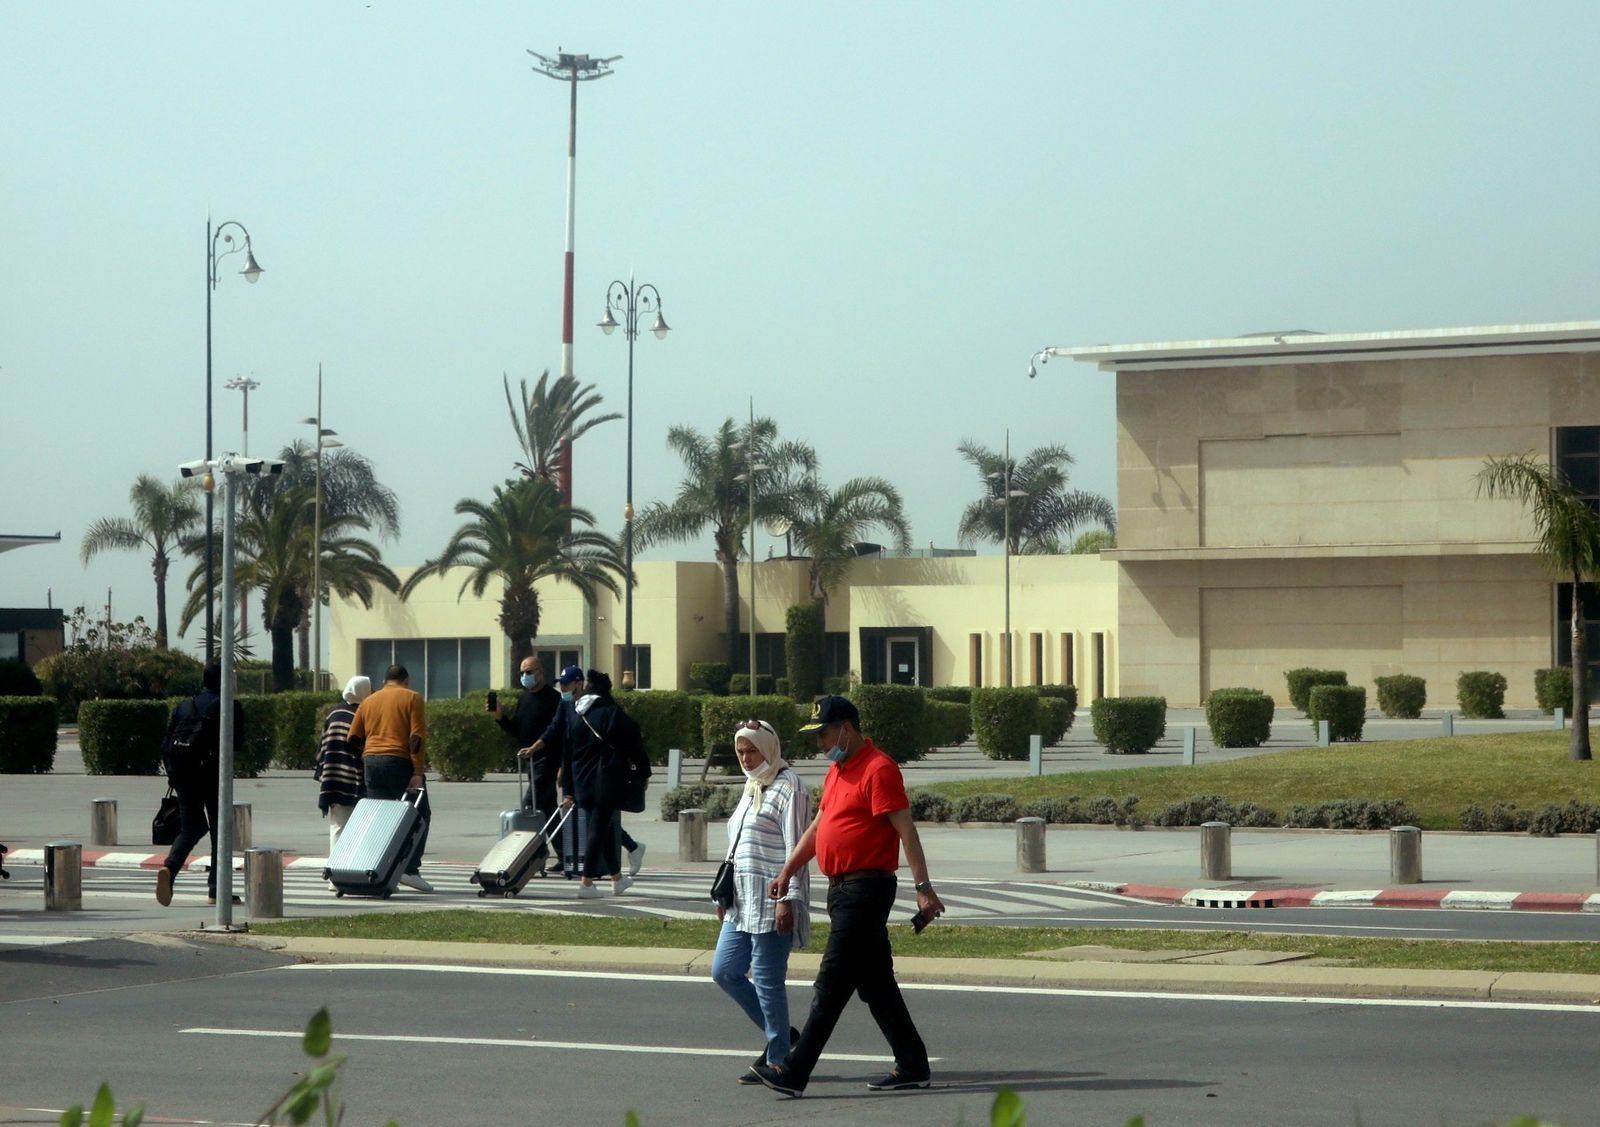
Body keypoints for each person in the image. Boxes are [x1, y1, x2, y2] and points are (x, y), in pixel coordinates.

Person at [753, 695, 946, 1099]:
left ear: (846, 728)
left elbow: (906, 831)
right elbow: (820, 827)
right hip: (841, 891)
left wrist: (923, 888)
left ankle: (794, 1070)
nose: (820, 744)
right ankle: (912, 1064)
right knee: (876, 984)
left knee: (831, 982)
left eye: (823, 734)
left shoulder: (879, 769)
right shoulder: (839, 770)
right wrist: (788, 870)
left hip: (866, 889)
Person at [711, 719, 810, 1085]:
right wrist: (724, 893)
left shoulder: (790, 788)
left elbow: (797, 848)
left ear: (768, 748)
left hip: (772, 899)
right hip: (741, 901)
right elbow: (737, 843)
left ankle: (780, 1057)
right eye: (740, 751)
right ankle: (782, 1036)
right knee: (724, 970)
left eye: (752, 750)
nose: (747, 758)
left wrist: (788, 899)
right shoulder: (753, 785)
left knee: (768, 982)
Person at [530, 665, 646, 878]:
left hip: (596, 778)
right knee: (601, 828)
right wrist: (566, 783)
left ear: (580, 684)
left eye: (566, 684)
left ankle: (596, 879)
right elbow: (563, 740)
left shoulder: (593, 712)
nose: (562, 688)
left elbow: (570, 749)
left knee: (598, 828)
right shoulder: (576, 709)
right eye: (561, 684)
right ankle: (608, 877)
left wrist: (568, 784)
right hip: (590, 778)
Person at [155, 658, 244, 907]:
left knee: (191, 828)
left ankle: (170, 869)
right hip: (214, 776)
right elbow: (237, 744)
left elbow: (166, 746)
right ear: (225, 679)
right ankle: (217, 889)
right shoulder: (229, 706)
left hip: (184, 776)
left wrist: (174, 774)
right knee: (220, 831)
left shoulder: (184, 706)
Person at [347, 663, 433, 892]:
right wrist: (417, 772)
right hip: (399, 761)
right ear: (406, 680)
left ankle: (377, 870)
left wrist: (367, 758)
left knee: (379, 819)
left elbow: (353, 737)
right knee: (419, 814)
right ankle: (410, 869)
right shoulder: (412, 698)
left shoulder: (368, 701)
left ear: (385, 681)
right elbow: (416, 737)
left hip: (371, 761)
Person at [316, 675, 371, 854]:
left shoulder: (333, 713)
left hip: (333, 779)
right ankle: (344, 875)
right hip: (354, 780)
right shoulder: (361, 715)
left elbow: (322, 749)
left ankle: (335, 878)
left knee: (338, 827)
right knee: (358, 830)